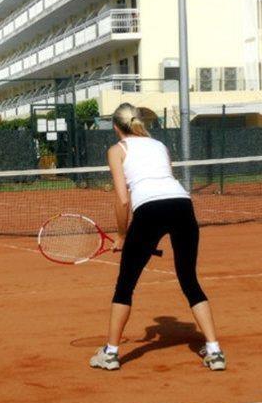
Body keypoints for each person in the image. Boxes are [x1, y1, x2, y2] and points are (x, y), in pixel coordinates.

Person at [90, 103, 225, 371]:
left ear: (116, 127)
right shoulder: (159, 145)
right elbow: (165, 182)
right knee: (189, 280)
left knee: (125, 285)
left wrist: (121, 235)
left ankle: (111, 353)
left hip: (150, 209)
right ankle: (215, 351)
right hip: (182, 206)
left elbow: (122, 198)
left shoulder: (117, 150)